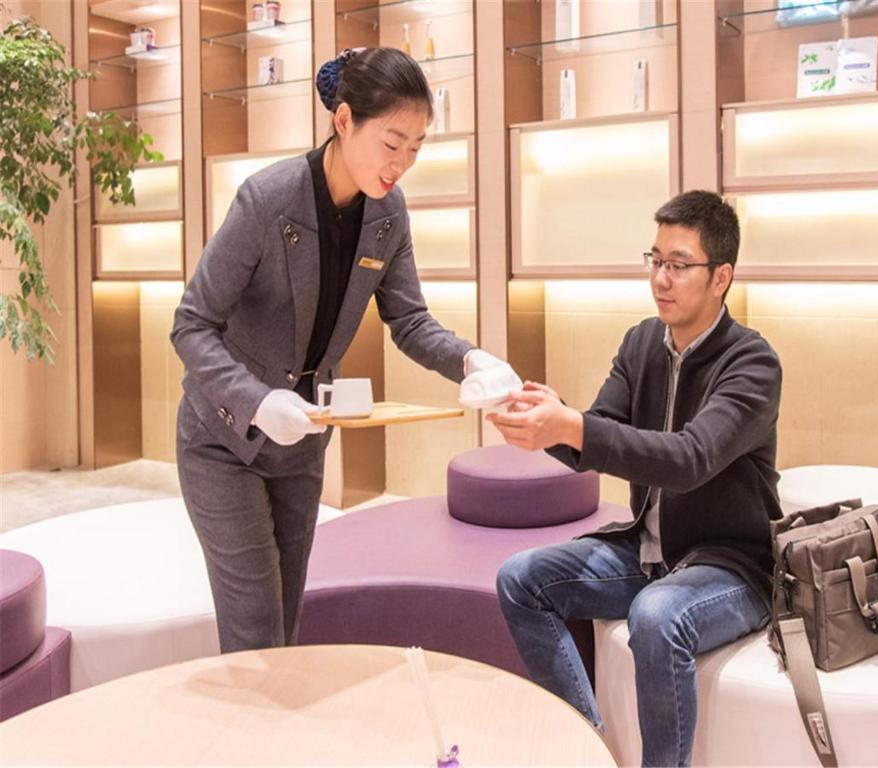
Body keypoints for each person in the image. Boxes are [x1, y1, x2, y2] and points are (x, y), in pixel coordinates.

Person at [171, 48, 511, 654]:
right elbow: (191, 324)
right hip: (224, 441)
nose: (402, 163)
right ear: (344, 120)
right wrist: (255, 401)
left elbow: (408, 321)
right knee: (254, 626)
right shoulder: (266, 200)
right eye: (392, 142)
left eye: (417, 146)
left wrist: (469, 360)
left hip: (304, 437)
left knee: (287, 616)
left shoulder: (388, 213)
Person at [491, 191, 782, 767]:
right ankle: (590, 746)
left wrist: (574, 426)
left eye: (679, 265)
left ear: (721, 276)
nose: (661, 279)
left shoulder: (752, 363)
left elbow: (689, 458)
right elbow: (600, 434)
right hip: (647, 553)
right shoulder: (641, 342)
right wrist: (547, 424)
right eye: (655, 260)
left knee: (656, 613)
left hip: (733, 566)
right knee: (519, 579)